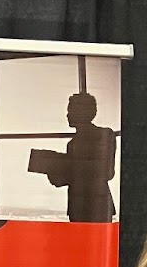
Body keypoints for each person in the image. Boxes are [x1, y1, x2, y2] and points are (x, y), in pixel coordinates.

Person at [32, 91, 116, 222]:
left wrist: (61, 170)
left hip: (96, 205)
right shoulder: (74, 143)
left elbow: (107, 172)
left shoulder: (104, 135)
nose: (67, 115)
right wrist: (54, 173)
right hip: (81, 207)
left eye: (70, 110)